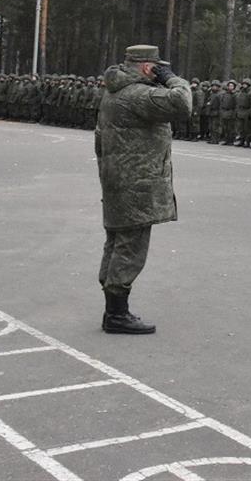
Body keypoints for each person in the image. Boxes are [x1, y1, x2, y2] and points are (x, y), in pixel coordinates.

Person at [95, 45, 191, 335]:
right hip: (136, 183)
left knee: (117, 241)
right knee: (130, 246)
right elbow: (182, 103)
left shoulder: (115, 90)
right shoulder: (136, 94)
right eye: (157, 68)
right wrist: (173, 78)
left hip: (120, 179)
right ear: (148, 67)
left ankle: (113, 308)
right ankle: (116, 314)